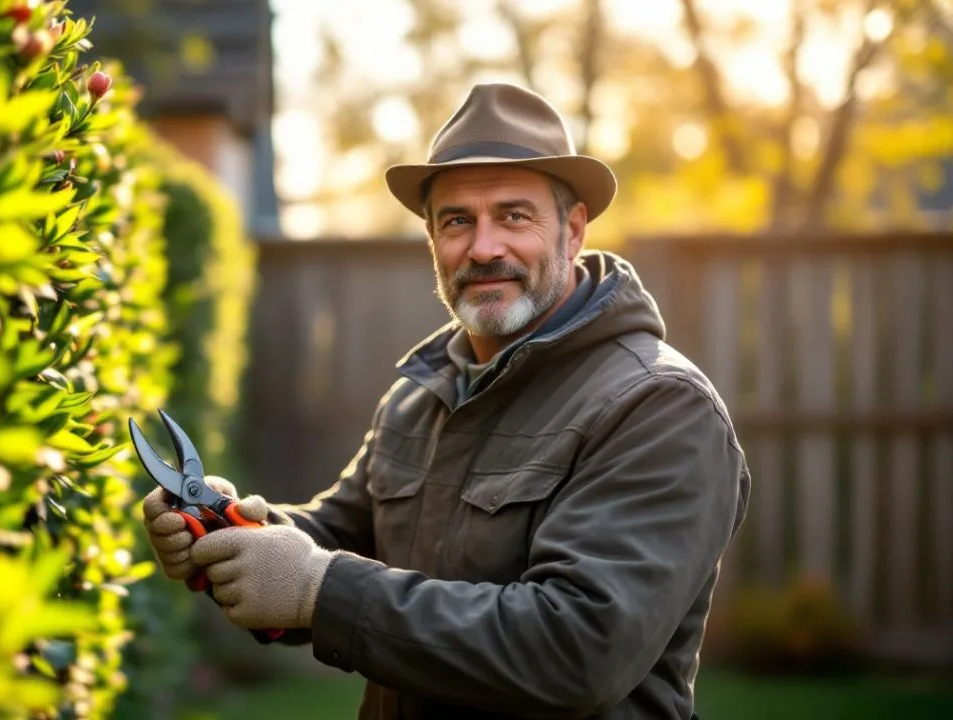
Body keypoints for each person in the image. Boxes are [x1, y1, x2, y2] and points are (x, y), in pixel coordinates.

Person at [140, 82, 751, 719]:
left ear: (572, 231)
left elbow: (576, 650)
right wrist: (227, 527)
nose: (483, 248)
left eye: (513, 216)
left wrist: (319, 590)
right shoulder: (421, 393)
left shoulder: (659, 407)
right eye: (457, 221)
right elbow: (339, 539)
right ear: (432, 239)